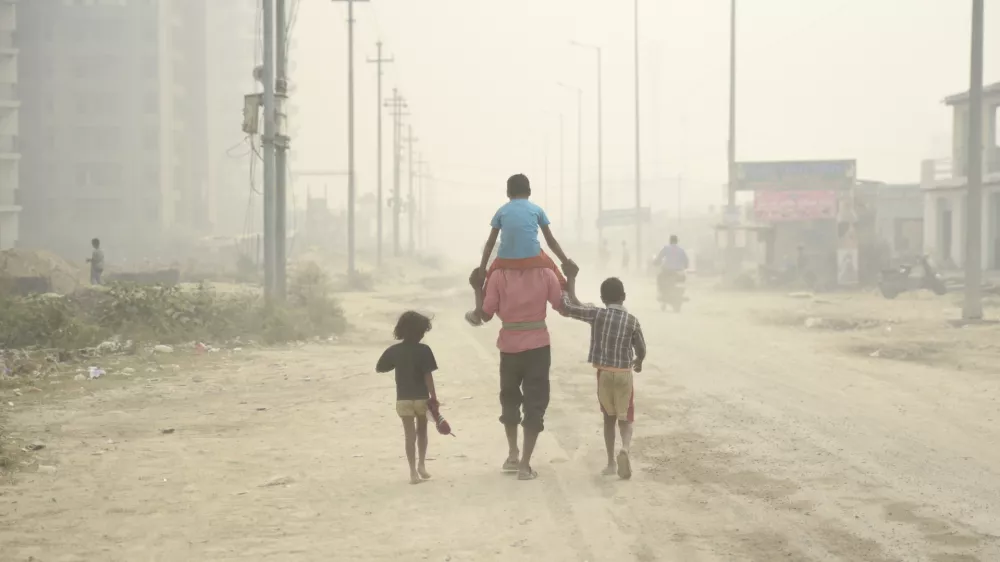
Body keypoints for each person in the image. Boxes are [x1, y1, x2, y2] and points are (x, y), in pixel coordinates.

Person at [477, 256, 571, 481]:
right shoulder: (545, 273)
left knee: (509, 399)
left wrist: (476, 288)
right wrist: (571, 279)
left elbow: (485, 313)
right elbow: (563, 306)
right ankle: (525, 465)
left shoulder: (498, 276)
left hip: (508, 347)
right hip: (538, 347)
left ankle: (512, 455)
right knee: (535, 402)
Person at [561, 273, 647, 480]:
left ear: (602, 298)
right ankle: (625, 449)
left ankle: (610, 462)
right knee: (625, 418)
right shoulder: (632, 321)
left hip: (604, 374)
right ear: (623, 296)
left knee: (608, 418)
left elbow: (570, 309)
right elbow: (641, 348)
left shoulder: (597, 314)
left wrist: (563, 291)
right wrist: (639, 361)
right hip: (624, 375)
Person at [466, 174, 575, 326]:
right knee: (561, 283)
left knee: (486, 287)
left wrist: (482, 271)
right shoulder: (537, 210)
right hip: (534, 258)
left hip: (505, 260)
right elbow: (551, 241)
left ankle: (479, 311)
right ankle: (573, 299)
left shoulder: (501, 211)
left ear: (508, 193)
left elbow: (490, 244)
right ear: (529, 191)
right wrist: (565, 261)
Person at [375, 311, 439, 485]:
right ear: (420, 332)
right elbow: (428, 376)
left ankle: (412, 472)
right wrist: (434, 397)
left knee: (409, 435)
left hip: (403, 399)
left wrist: (397, 364)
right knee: (422, 432)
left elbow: (380, 367)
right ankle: (422, 465)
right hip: (421, 398)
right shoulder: (424, 350)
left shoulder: (394, 351)